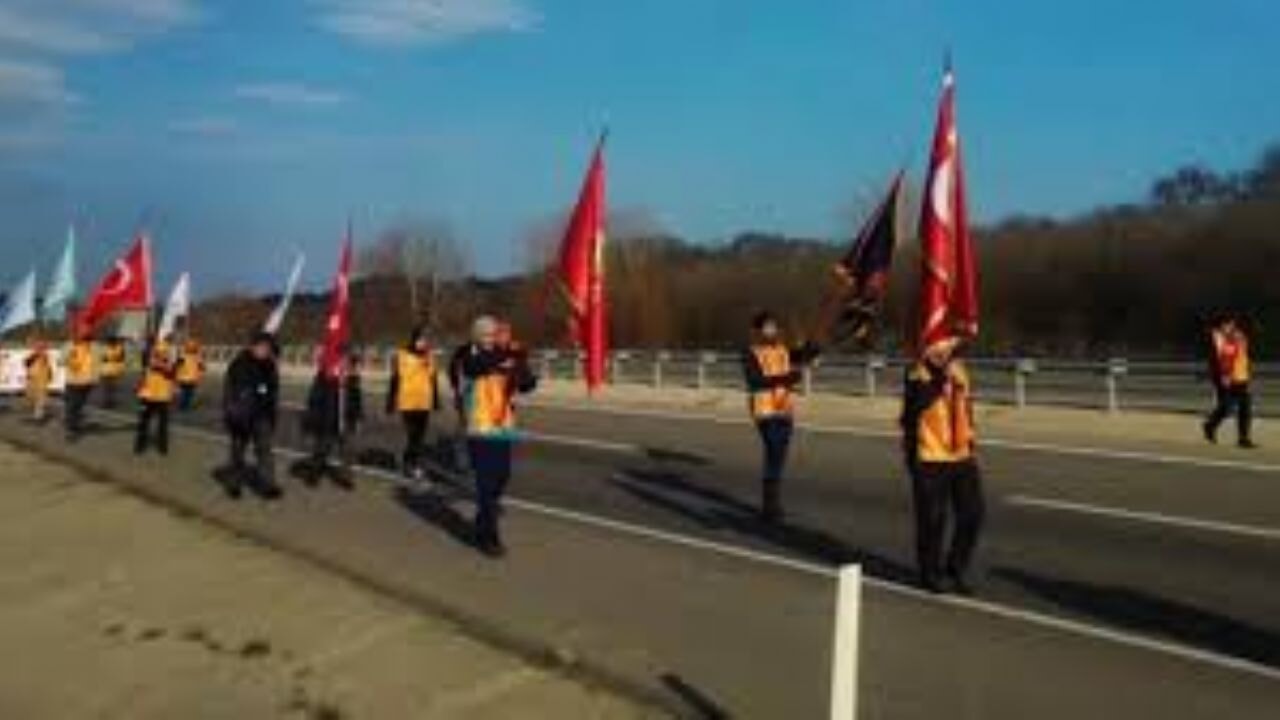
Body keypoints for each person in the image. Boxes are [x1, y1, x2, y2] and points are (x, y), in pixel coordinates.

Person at [900, 338, 985, 595]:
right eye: (936, 346)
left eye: (947, 346)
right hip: (929, 456)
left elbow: (966, 407)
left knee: (973, 514)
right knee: (932, 520)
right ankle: (930, 573)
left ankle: (955, 568)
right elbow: (915, 408)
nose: (942, 351)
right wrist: (940, 377)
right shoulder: (916, 372)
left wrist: (972, 444)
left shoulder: (960, 369)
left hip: (961, 455)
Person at [456, 316, 537, 557]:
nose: (491, 339)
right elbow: (478, 366)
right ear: (477, 336)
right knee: (486, 482)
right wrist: (510, 353)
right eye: (487, 335)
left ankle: (482, 521)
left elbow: (526, 385)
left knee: (502, 477)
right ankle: (489, 537)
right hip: (479, 428)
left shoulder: (503, 355)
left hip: (502, 427)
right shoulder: (467, 355)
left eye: (494, 335)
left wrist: (522, 365)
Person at [740, 311, 820, 524]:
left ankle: (771, 501)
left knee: (779, 455)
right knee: (774, 450)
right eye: (767, 327)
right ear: (757, 331)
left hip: (784, 409)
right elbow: (755, 380)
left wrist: (813, 346)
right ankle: (770, 505)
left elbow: (805, 355)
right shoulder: (750, 352)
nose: (772, 330)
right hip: (764, 411)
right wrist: (788, 378)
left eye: (774, 326)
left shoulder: (783, 350)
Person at [222, 332, 281, 499]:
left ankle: (268, 485)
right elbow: (228, 391)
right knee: (238, 453)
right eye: (261, 347)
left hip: (262, 416)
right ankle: (234, 485)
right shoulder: (238, 364)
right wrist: (230, 411)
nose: (264, 350)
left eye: (267, 348)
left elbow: (274, 392)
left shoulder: (270, 366)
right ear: (252, 346)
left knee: (265, 451)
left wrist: (272, 414)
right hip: (241, 416)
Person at [303, 348, 363, 488]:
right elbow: (315, 398)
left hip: (346, 419)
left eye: (348, 361)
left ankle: (346, 478)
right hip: (328, 417)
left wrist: (359, 417)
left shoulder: (353, 379)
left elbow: (356, 400)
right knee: (323, 448)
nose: (345, 364)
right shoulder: (324, 376)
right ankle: (314, 473)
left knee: (348, 450)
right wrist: (313, 418)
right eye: (342, 360)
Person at [386, 326, 440, 481]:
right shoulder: (402, 356)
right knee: (412, 435)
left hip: (424, 401)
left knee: (420, 436)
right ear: (415, 339)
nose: (424, 343)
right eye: (421, 339)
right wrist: (391, 401)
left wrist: (436, 401)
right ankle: (411, 464)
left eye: (426, 340)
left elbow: (433, 380)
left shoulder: (430, 357)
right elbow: (395, 379)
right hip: (407, 401)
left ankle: (411, 463)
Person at [1203, 316, 1256, 449]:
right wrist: (1220, 375)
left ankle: (1243, 438)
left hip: (1240, 377)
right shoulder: (1215, 337)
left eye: (1232, 324)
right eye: (1227, 324)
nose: (1231, 327)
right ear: (1221, 325)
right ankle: (1210, 425)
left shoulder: (1238, 336)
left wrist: (1247, 372)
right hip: (1224, 378)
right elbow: (1218, 357)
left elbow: (1243, 355)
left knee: (1245, 407)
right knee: (1226, 407)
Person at [135, 334, 177, 455]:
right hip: (151, 392)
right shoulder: (150, 350)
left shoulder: (171, 351)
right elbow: (146, 364)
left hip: (157, 393)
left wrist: (161, 366)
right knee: (147, 421)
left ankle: (151, 447)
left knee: (151, 422)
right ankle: (148, 446)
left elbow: (171, 370)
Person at [63, 331, 97, 441]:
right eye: (80, 333)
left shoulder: (94, 348)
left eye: (85, 334)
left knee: (77, 406)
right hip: (73, 381)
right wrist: (70, 358)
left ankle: (73, 426)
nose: (82, 336)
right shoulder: (69, 346)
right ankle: (72, 430)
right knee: (72, 406)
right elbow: (61, 360)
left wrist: (95, 378)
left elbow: (98, 363)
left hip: (86, 382)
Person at [24, 339, 54, 423]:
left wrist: (50, 375)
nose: (39, 348)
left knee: (41, 398)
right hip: (31, 378)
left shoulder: (45, 356)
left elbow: (48, 366)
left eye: (41, 347)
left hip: (42, 379)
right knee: (30, 397)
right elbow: (26, 363)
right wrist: (34, 356)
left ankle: (39, 416)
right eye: (37, 347)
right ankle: (36, 411)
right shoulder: (32, 355)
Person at [175, 337, 206, 411]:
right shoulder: (197, 357)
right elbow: (202, 368)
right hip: (191, 378)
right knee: (188, 393)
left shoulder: (183, 356)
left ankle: (183, 405)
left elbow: (177, 366)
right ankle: (184, 405)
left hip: (185, 378)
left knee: (185, 393)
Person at [99, 336, 127, 409]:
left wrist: (108, 358)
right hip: (111, 370)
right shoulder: (120, 348)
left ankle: (107, 402)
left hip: (109, 370)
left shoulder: (107, 348)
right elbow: (121, 359)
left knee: (108, 388)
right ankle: (108, 402)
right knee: (110, 388)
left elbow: (103, 358)